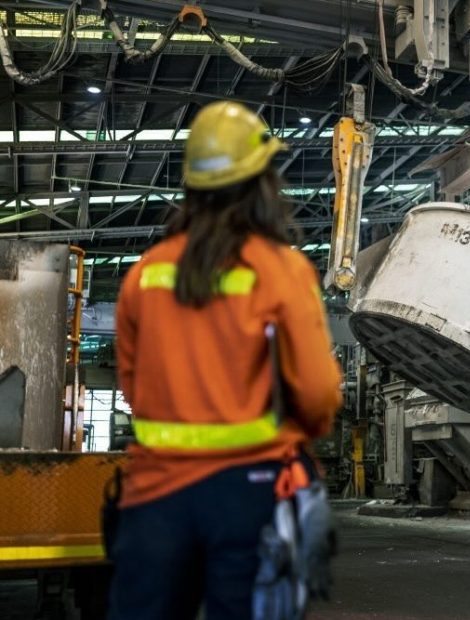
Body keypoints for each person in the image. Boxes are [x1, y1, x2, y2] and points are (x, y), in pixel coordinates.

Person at [109, 101, 343, 620]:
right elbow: (316, 394)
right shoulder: (280, 270)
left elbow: (132, 383)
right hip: (251, 496)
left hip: (154, 496)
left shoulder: (145, 273)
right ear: (263, 182)